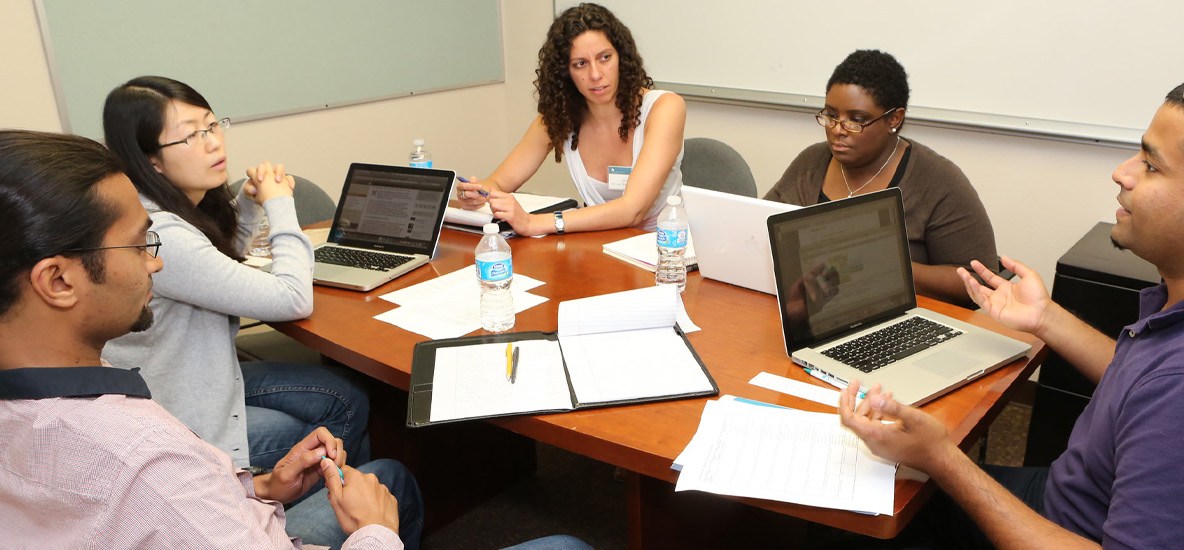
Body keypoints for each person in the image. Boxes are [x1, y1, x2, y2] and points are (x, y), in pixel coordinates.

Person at [838, 65, 1184, 549]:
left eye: (1152, 166)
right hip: (1072, 500)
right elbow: (1148, 386)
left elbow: (1182, 393)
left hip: (1069, 532)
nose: (1123, 172)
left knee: (840, 517)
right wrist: (1044, 318)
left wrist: (943, 458)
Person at [0, 129, 425, 549]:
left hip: (235, 508)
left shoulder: (48, 393)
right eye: (137, 246)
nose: (156, 262)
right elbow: (170, 498)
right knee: (391, 480)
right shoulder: (149, 464)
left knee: (342, 400)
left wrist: (262, 488)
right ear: (57, 281)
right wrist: (375, 532)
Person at [100, 76, 371, 473]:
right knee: (315, 428)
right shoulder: (160, 233)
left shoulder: (154, 205)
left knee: (346, 396)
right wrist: (280, 205)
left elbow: (213, 262)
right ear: (150, 159)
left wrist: (246, 207)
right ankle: (297, 514)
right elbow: (293, 299)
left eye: (212, 125)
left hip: (201, 379)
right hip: (183, 414)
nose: (213, 142)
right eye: (190, 136)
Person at [764, 50, 996, 307]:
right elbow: (760, 229)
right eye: (831, 115)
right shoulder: (812, 162)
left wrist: (887, 265)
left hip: (898, 322)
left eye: (857, 120)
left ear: (894, 119)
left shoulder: (938, 181)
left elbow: (981, 280)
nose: (838, 130)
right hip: (812, 312)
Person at [454, 2, 685, 236]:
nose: (595, 74)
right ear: (565, 73)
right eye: (580, 64)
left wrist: (534, 223)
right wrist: (472, 193)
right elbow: (498, 183)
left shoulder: (665, 108)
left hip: (666, 251)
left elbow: (632, 210)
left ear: (621, 59)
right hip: (600, 249)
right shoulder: (559, 118)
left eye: (605, 58)